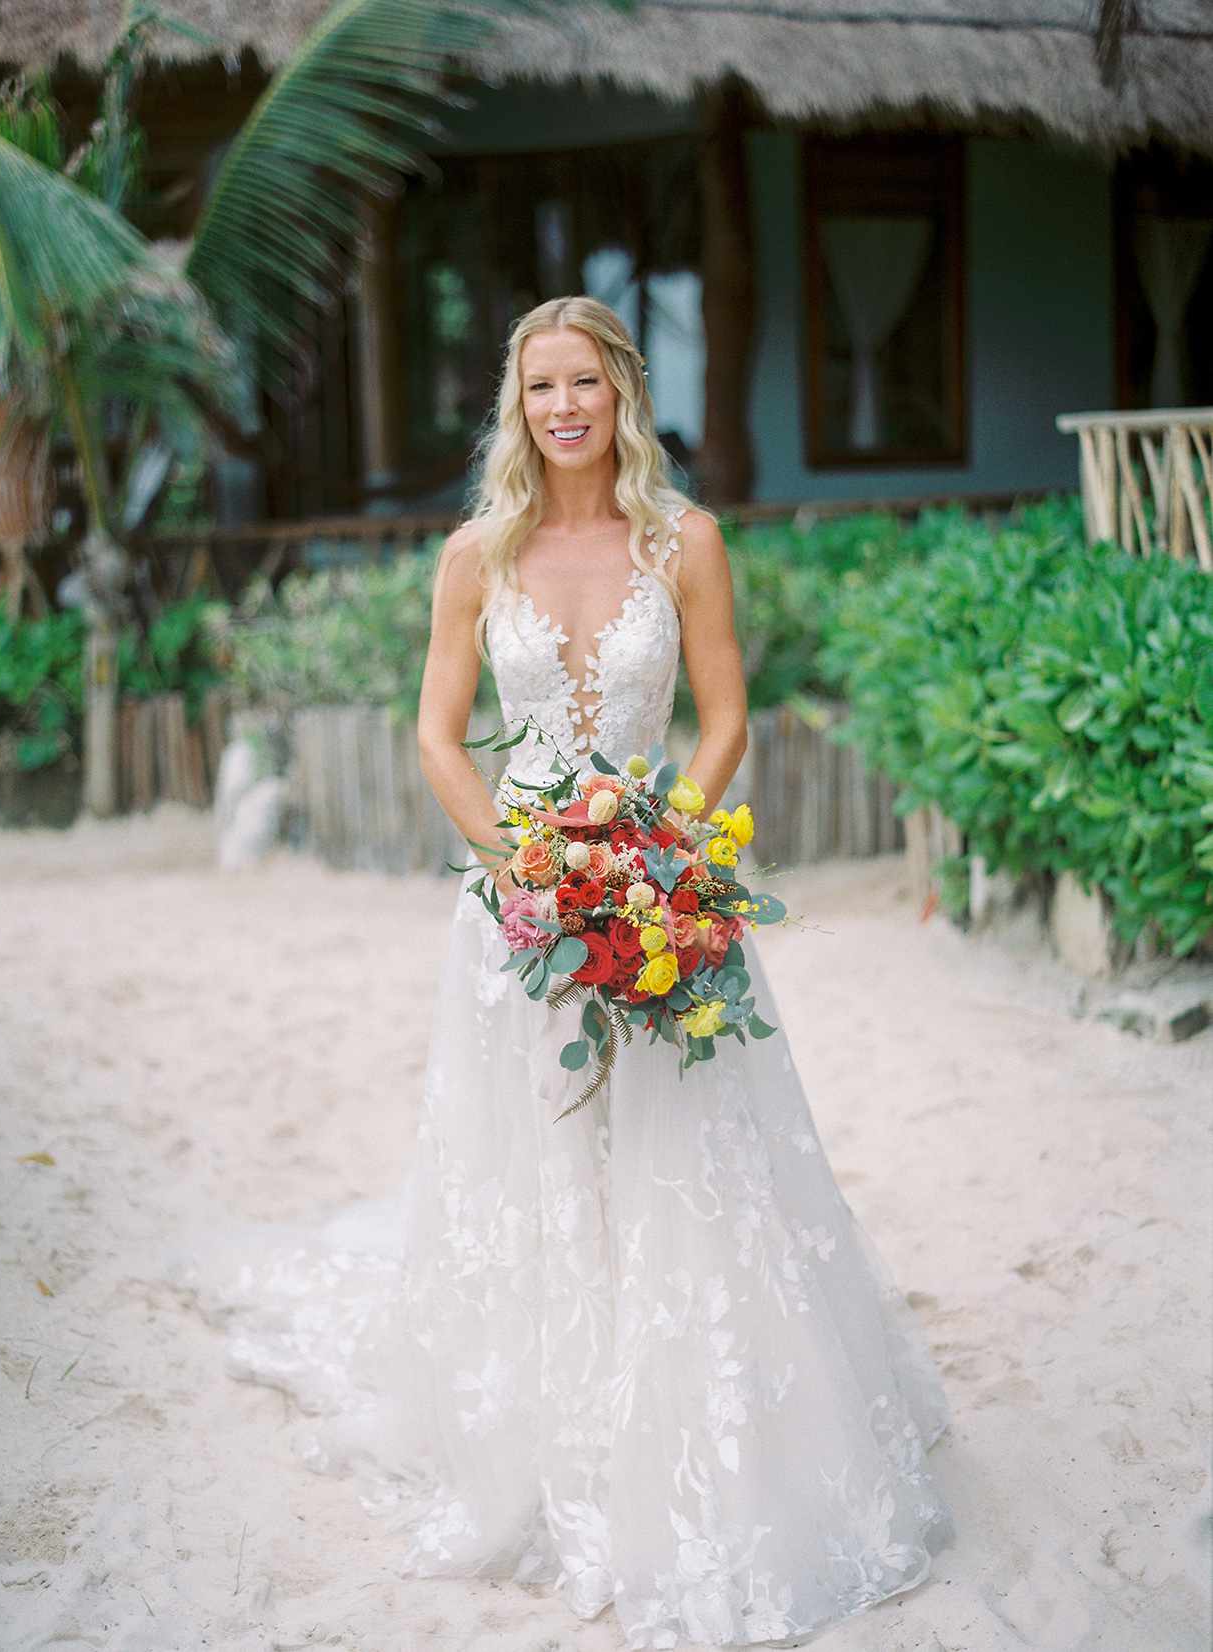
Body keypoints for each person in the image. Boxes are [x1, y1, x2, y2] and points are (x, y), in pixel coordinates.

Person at [182, 296, 955, 1650]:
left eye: (584, 381)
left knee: (685, 1156)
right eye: (539, 384)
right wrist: (520, 865)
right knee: (534, 1161)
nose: (563, 406)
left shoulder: (688, 543)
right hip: (522, 903)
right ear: (515, 403)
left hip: (664, 889)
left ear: (622, 393)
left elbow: (725, 721)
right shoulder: (476, 555)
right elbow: (435, 736)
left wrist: (664, 847)